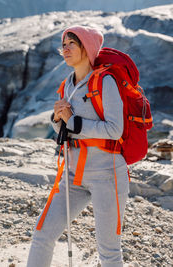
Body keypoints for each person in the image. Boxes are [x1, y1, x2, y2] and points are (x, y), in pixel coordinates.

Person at [27, 25, 129, 267]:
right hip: (72, 175)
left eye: (72, 43)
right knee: (42, 234)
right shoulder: (67, 86)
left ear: (88, 47)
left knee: (109, 251)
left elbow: (116, 130)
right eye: (63, 44)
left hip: (107, 175)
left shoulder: (106, 82)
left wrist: (72, 121)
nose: (66, 49)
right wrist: (57, 119)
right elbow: (65, 129)